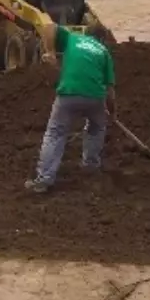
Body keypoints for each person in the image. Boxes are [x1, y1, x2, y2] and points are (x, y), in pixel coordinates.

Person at [25, 23, 116, 194]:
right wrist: (112, 112)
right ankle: (90, 167)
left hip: (69, 93)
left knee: (55, 133)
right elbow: (110, 91)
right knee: (97, 128)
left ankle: (44, 179)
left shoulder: (73, 38)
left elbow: (49, 27)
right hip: (95, 96)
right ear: (102, 39)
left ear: (86, 33)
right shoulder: (104, 53)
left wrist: (50, 51)